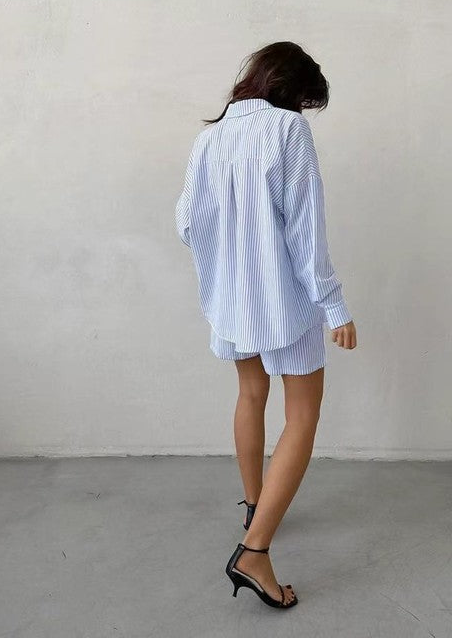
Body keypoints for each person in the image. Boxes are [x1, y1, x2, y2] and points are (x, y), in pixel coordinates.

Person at [175, 41, 357, 609]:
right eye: (304, 100)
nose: (303, 111)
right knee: (302, 416)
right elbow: (305, 231)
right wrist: (335, 306)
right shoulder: (287, 131)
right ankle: (254, 551)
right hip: (285, 302)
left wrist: (230, 264)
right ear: (291, 90)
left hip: (232, 302)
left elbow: (187, 223)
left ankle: (256, 505)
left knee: (251, 396)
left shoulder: (211, 138)